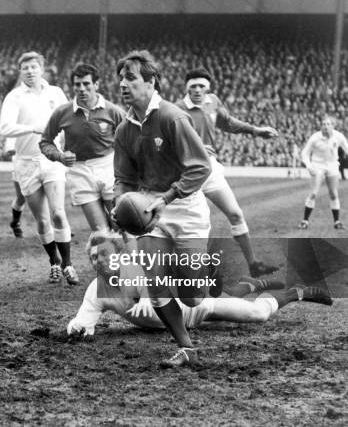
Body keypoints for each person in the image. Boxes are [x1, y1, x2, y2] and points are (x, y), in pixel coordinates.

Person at [113, 50, 212, 368]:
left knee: (191, 297)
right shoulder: (123, 130)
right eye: (121, 79)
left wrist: (167, 198)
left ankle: (200, 276)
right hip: (149, 212)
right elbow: (124, 179)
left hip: (185, 207)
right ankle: (186, 348)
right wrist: (120, 205)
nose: (123, 85)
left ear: (150, 81)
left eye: (130, 78)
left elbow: (200, 168)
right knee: (154, 281)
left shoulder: (172, 118)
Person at [67, 231, 332, 338]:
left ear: (118, 253)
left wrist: (145, 298)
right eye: (93, 258)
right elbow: (82, 323)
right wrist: (78, 329)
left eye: (104, 254)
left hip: (195, 307)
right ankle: (248, 284)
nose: (99, 261)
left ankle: (296, 292)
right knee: (231, 297)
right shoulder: (96, 290)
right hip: (180, 321)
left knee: (258, 313)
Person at [174, 67, 279, 278]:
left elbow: (228, 122)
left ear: (208, 88)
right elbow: (170, 142)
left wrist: (255, 131)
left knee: (235, 214)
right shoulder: (176, 110)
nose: (197, 90)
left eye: (201, 86)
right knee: (186, 224)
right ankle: (175, 270)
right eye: (192, 86)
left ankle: (253, 263)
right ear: (186, 88)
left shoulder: (212, 102)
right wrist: (195, 149)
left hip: (210, 168)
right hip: (186, 171)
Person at [0, 51, 78, 285]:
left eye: (34, 67)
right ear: (20, 72)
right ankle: (54, 263)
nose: (30, 71)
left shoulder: (55, 93)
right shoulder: (14, 97)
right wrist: (33, 128)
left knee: (58, 213)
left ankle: (68, 265)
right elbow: (5, 128)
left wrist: (68, 147)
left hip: (51, 159)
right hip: (26, 162)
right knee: (43, 221)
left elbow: (69, 120)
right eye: (25, 68)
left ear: (42, 69)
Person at [40, 62, 125, 232]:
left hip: (109, 168)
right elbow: (45, 141)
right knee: (101, 232)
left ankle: (129, 258)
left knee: (121, 226)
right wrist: (60, 156)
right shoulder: (62, 112)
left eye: (86, 84)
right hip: (79, 172)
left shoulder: (113, 111)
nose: (82, 88)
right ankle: (107, 257)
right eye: (77, 84)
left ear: (96, 84)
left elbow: (129, 141)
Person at [299, 116, 348, 229]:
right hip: (317, 166)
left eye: (328, 124)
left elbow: (347, 148)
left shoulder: (338, 136)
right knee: (314, 193)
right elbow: (304, 153)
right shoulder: (315, 138)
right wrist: (309, 166)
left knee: (333, 194)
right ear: (320, 126)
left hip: (332, 165)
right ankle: (305, 221)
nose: (325, 126)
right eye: (323, 124)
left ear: (332, 126)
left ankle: (337, 222)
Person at [5, 137, 26, 238]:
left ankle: (60, 227)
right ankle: (15, 222)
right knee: (22, 198)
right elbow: (9, 151)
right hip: (20, 167)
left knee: (49, 195)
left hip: (42, 166)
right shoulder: (16, 128)